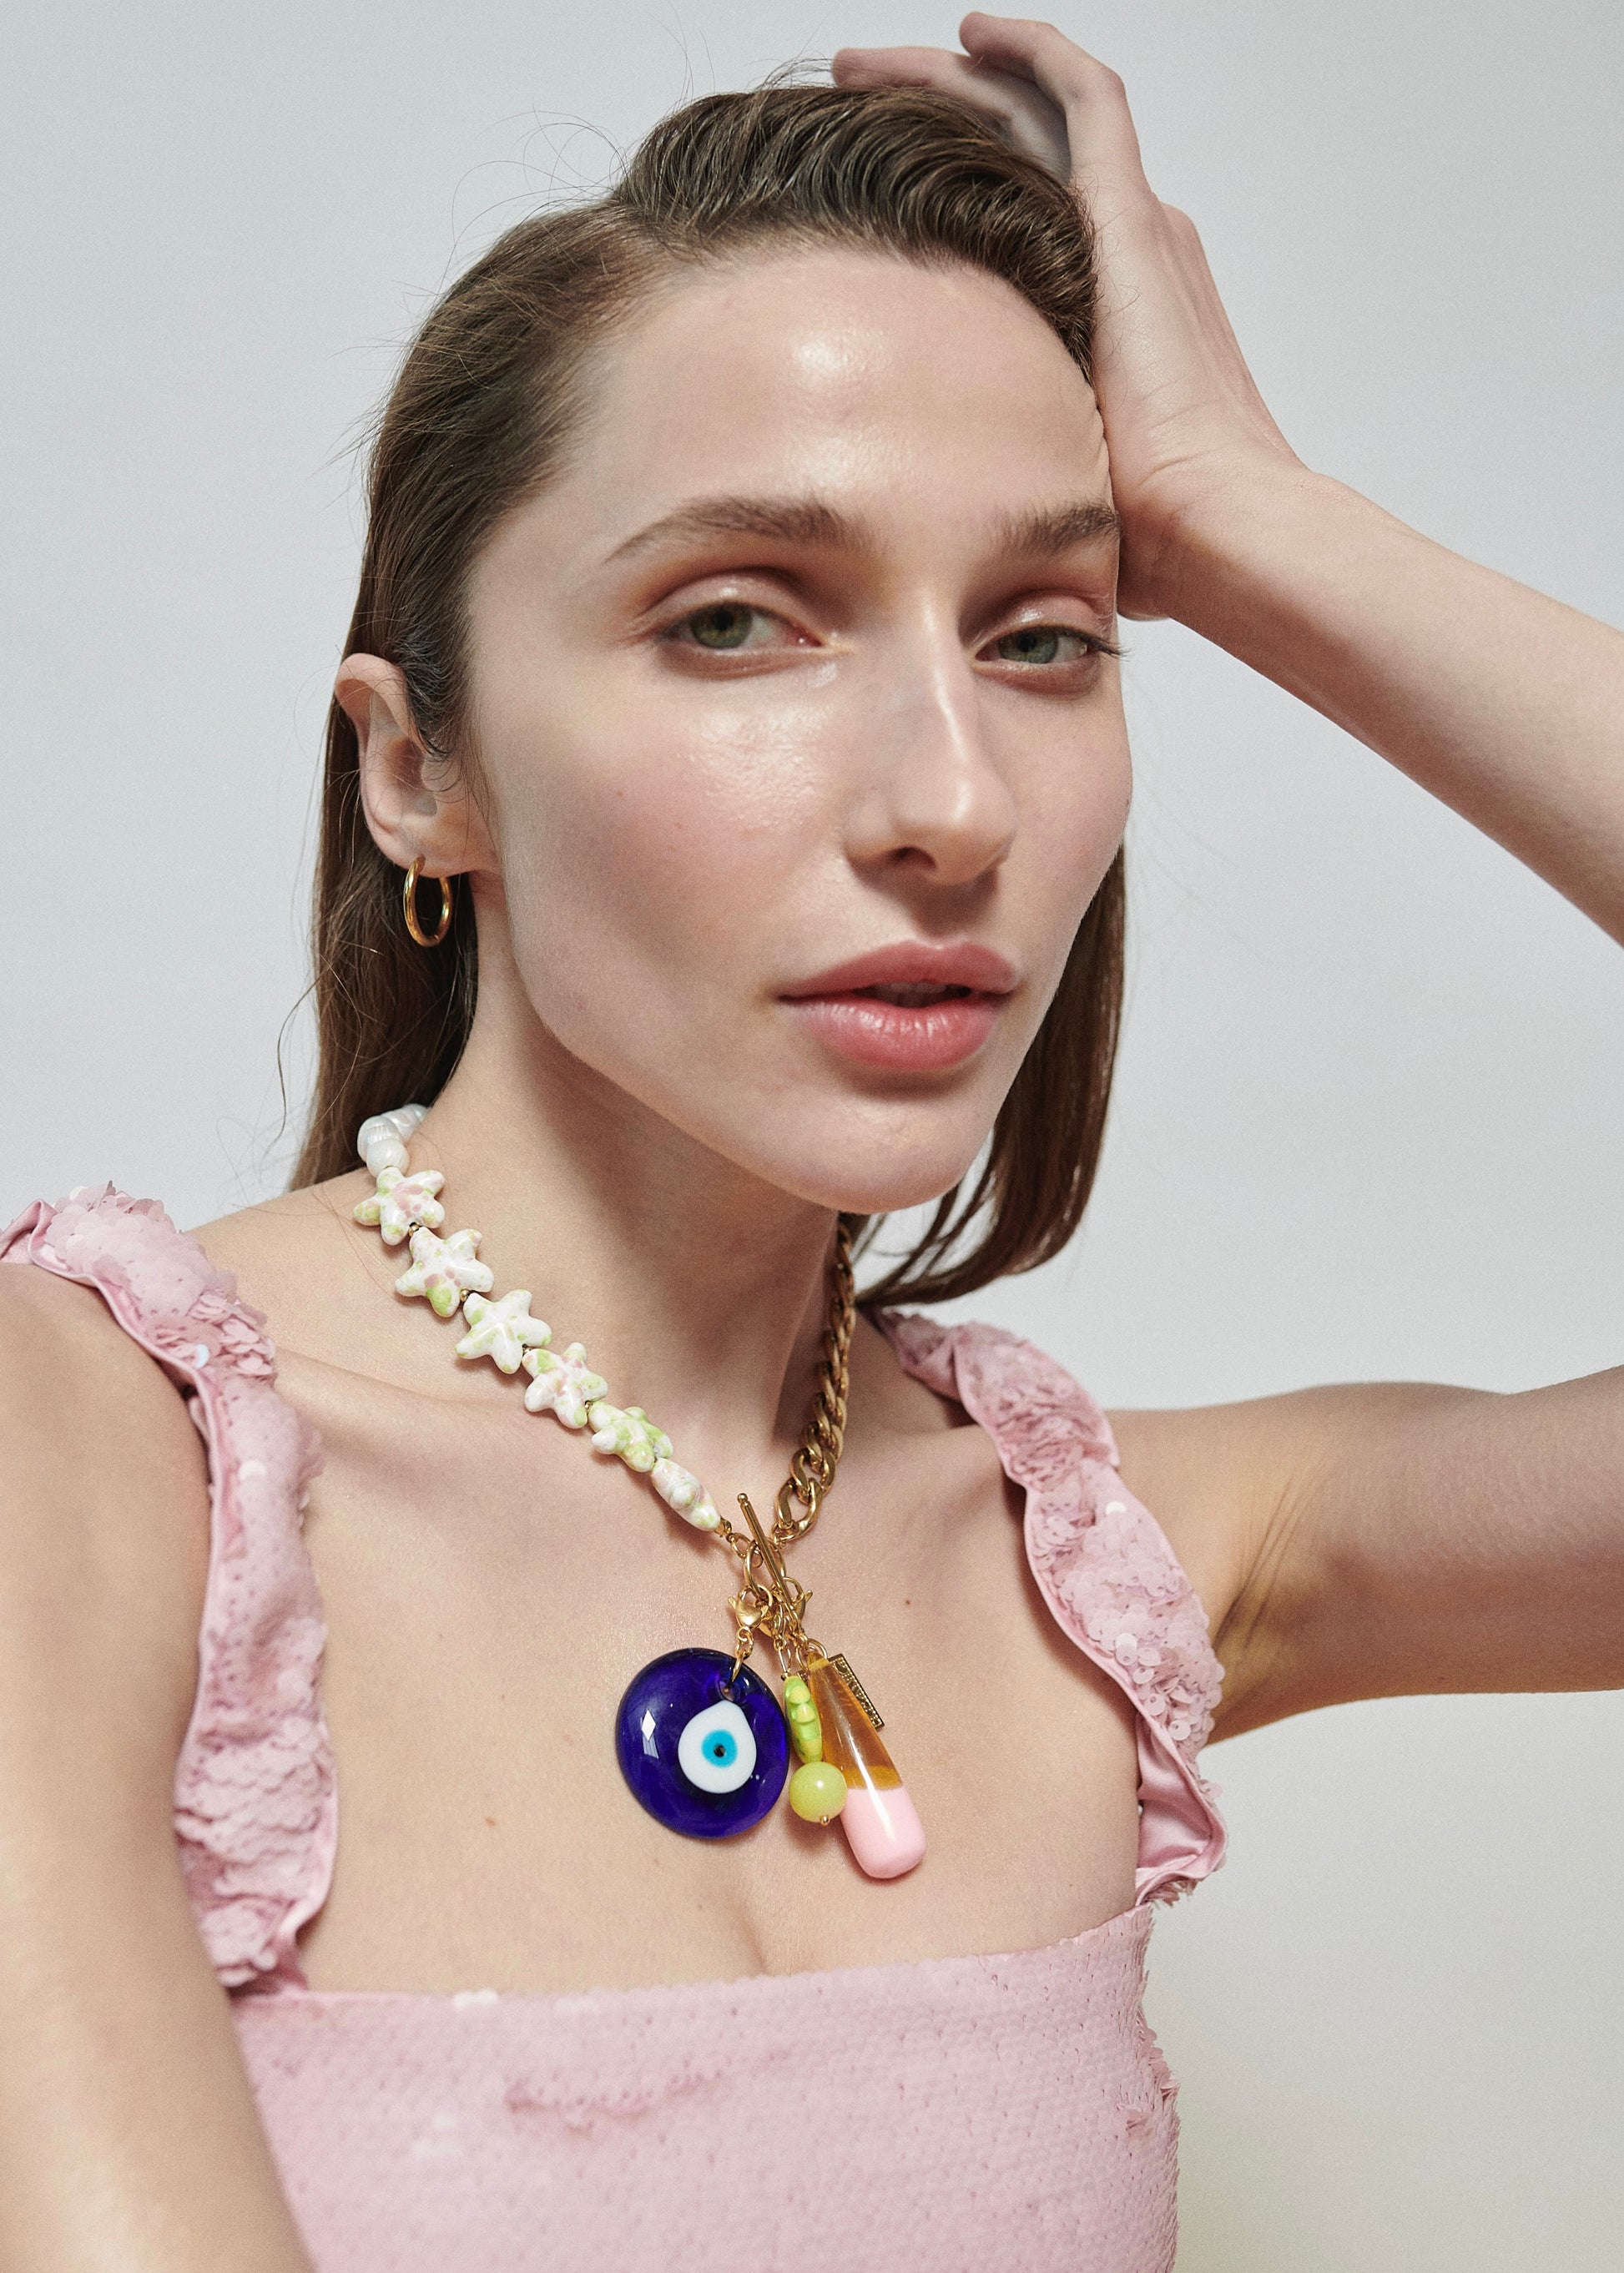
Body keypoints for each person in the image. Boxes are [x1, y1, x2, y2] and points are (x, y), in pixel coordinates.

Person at [1, 13, 1619, 2270]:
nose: (951, 802)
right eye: (737, 619)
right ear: (417, 772)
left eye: (1042, 637)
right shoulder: (89, 1464)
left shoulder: (1097, 1567)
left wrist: (1252, 523)